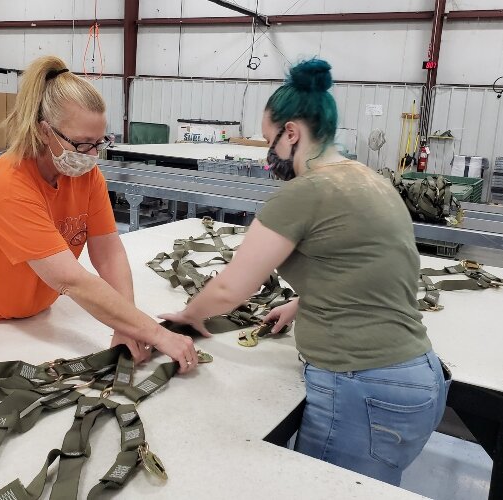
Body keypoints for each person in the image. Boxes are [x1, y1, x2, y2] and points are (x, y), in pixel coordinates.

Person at [160, 59, 449, 484]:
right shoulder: (368, 179)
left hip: (363, 384)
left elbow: (231, 288)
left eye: (269, 140)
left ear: (291, 132)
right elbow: (366, 266)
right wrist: (299, 304)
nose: (268, 153)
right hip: (416, 375)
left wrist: (189, 316)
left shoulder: (305, 192)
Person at [0, 56, 198, 373]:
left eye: (100, 142)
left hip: (31, 317)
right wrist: (153, 332)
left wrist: (127, 323)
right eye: (83, 143)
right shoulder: (7, 184)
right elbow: (70, 279)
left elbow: (108, 253)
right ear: (45, 131)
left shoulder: (85, 176)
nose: (93, 155)